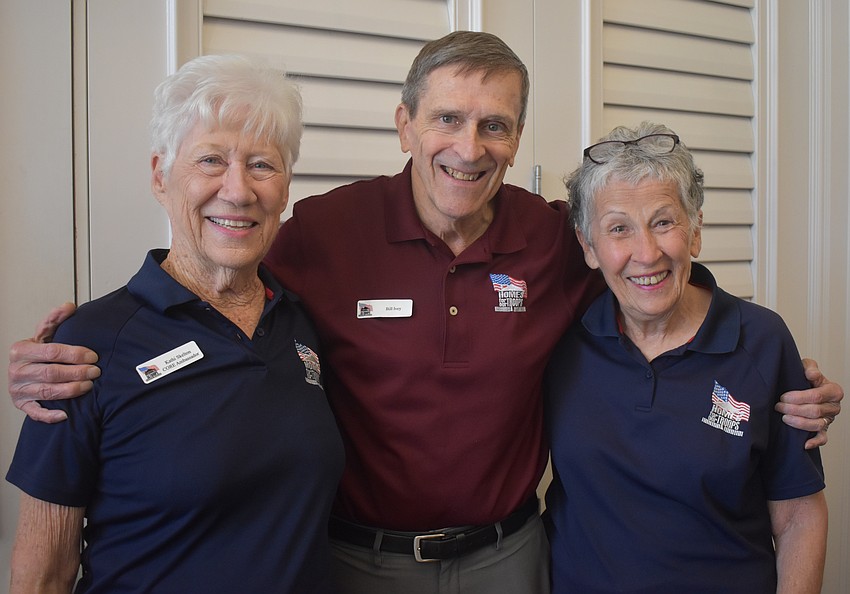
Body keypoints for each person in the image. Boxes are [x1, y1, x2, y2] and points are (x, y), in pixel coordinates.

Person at [6, 33, 843, 594]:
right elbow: (213, 274)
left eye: (494, 126)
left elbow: (646, 266)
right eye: (446, 118)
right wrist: (89, 340)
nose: (468, 148)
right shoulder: (321, 233)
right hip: (354, 560)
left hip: (512, 558)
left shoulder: (554, 239)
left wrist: (762, 361)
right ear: (405, 124)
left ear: (517, 138)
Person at [5, 54, 344, 593]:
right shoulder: (88, 346)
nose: (238, 191)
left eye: (262, 165)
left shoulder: (301, 321)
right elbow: (42, 575)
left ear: (285, 188)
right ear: (160, 176)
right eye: (211, 160)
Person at [544, 122, 828, 593]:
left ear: (695, 231)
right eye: (619, 229)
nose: (646, 253)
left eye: (663, 222)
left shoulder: (762, 341)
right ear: (588, 247)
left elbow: (799, 513)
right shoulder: (561, 340)